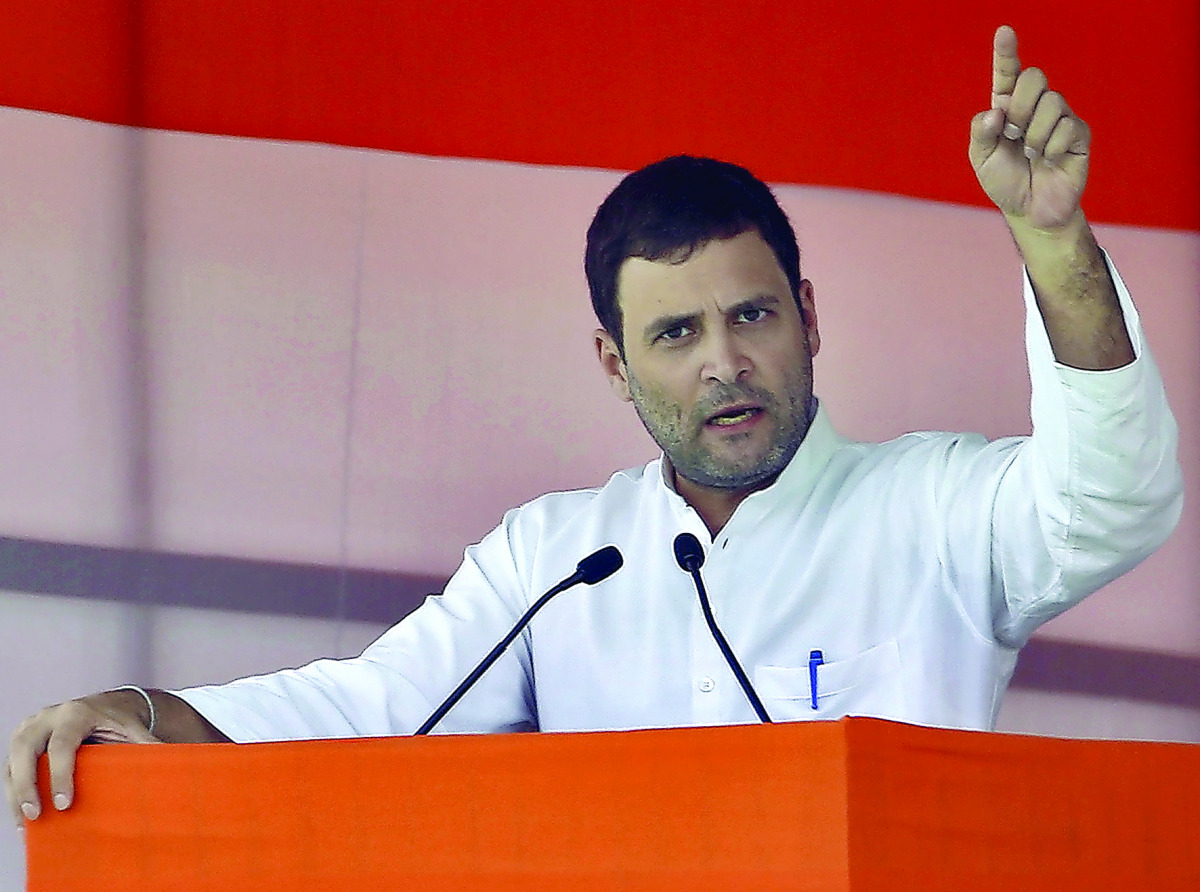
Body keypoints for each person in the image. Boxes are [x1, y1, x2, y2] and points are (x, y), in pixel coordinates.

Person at [6, 24, 1183, 828]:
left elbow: (1115, 498)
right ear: (615, 365)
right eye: (675, 335)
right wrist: (144, 714)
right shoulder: (556, 560)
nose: (725, 360)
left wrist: (1053, 240)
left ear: (809, 318)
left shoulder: (933, 507)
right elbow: (372, 710)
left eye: (752, 313)